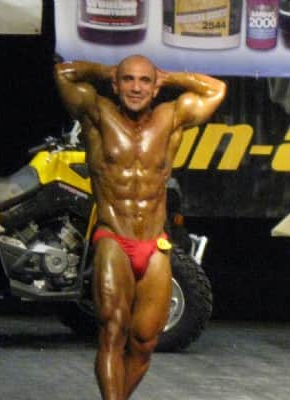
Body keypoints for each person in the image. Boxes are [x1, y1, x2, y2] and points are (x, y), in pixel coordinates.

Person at [54, 55, 226, 400]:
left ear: (154, 87)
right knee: (112, 331)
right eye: (128, 79)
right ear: (116, 85)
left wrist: (169, 77)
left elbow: (216, 90)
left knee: (145, 342)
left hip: (154, 243)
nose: (136, 88)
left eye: (145, 81)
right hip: (113, 238)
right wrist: (106, 71)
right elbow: (63, 73)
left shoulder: (171, 117)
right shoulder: (97, 114)